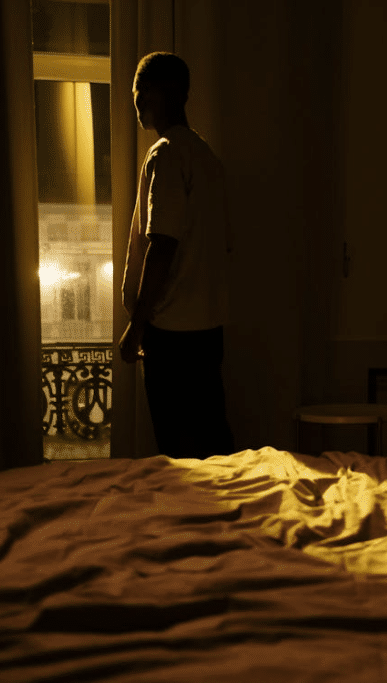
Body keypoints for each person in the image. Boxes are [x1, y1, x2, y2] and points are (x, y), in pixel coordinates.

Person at [119, 52, 234, 458]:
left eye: (136, 90)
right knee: (211, 439)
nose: (133, 100)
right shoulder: (206, 157)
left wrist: (137, 324)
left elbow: (162, 243)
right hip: (208, 325)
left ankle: (190, 518)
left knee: (177, 446)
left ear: (150, 93)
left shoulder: (165, 154)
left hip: (171, 330)